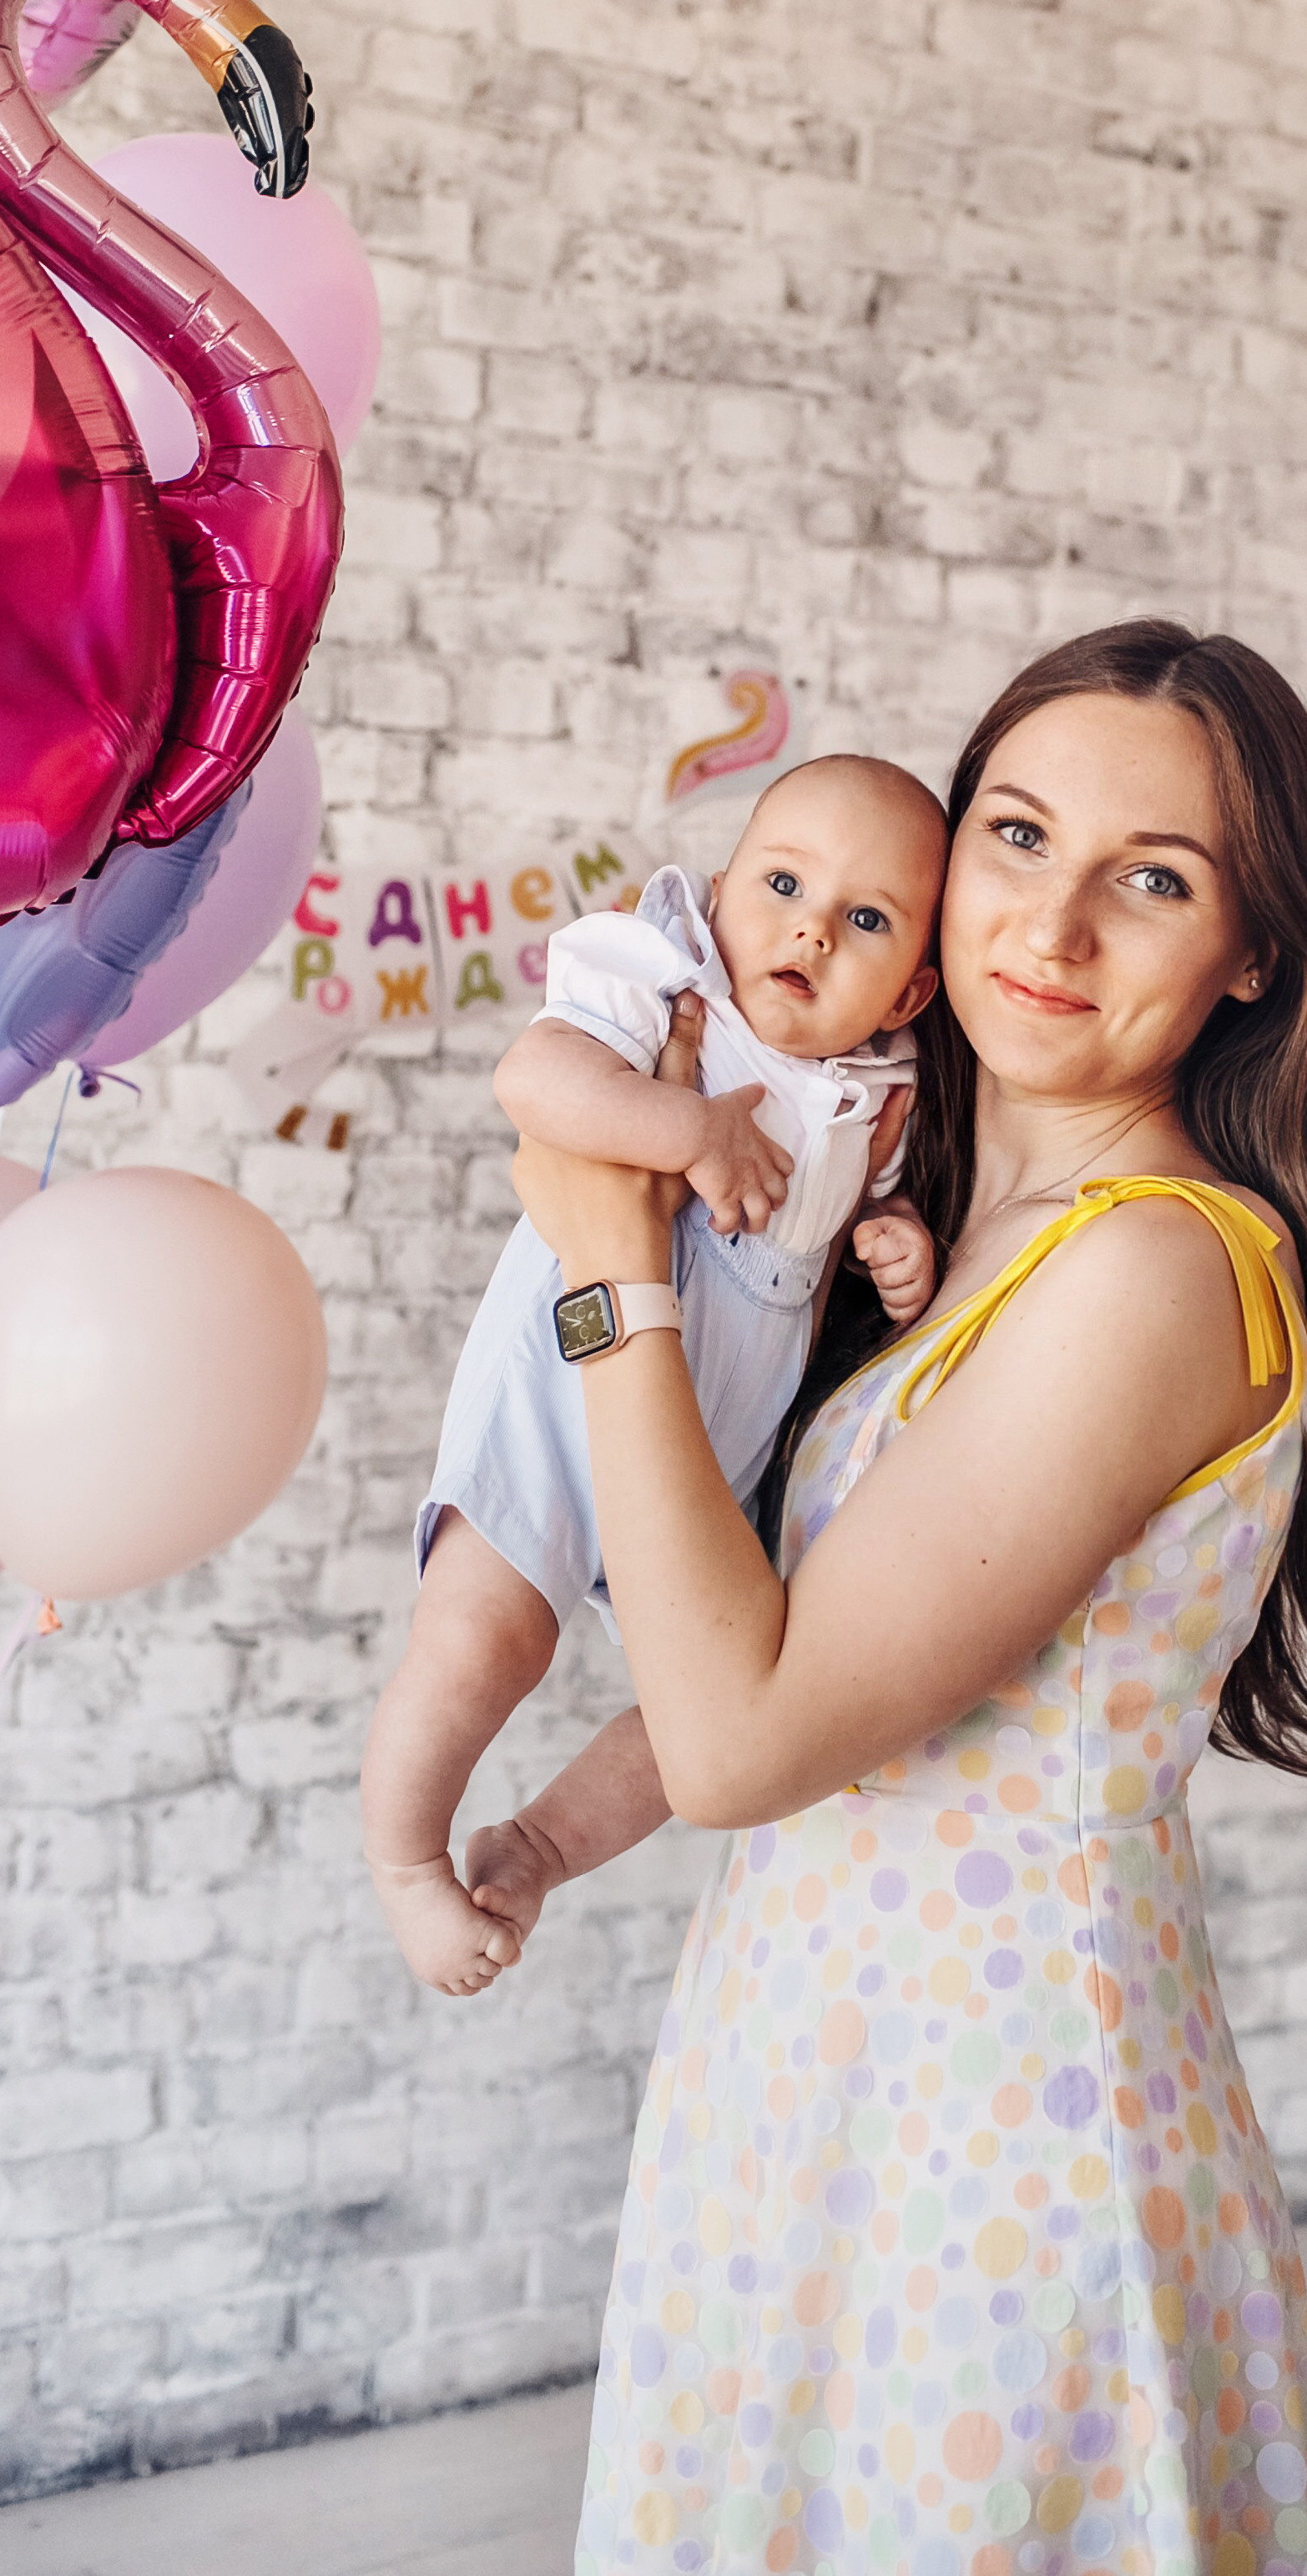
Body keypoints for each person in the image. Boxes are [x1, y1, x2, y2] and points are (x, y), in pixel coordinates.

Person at [507, 621, 1307, 2576]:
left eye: (1155, 877)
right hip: (811, 2091)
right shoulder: (946, 1239)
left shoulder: (1153, 1268)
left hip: (997, 2160)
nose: (1055, 920)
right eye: (1017, 835)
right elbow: (776, 1651)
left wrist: (611, 1272)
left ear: (1252, 951)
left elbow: (742, 1739)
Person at [363, 755, 951, 1996]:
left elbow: (850, 1221)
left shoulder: (883, 1091)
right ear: (721, 890)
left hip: (714, 1446)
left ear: (911, 985)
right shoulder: (667, 976)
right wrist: (691, 1127)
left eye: (865, 919)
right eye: (783, 884)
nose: (809, 929)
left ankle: (538, 1848)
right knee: (483, 1639)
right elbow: (535, 1081)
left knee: (710, 1715)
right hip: (562, 1379)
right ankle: (406, 1861)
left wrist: (890, 1242)